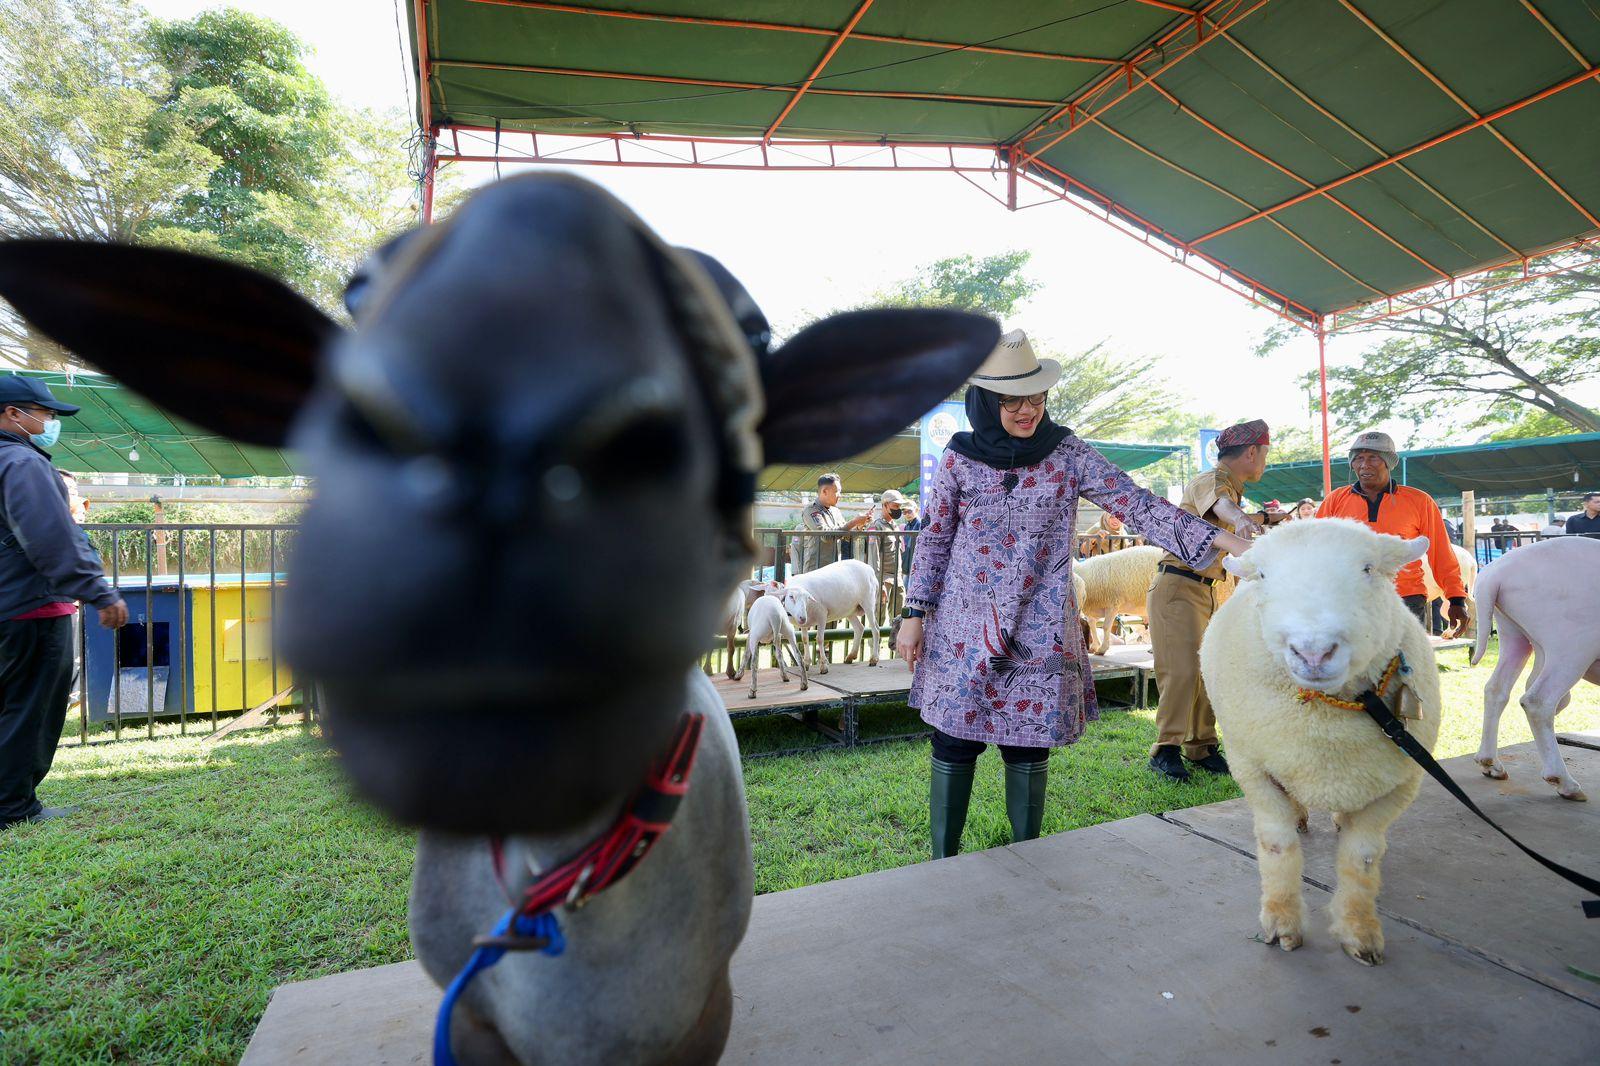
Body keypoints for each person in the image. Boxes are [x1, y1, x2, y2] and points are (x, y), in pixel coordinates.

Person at [895, 329, 1252, 859]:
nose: (1027, 411)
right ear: (988, 402)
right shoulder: (958, 457)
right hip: (964, 622)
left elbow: (1136, 503)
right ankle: (942, 861)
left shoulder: (1066, 453)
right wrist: (913, 613)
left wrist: (1229, 539)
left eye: (1036, 398)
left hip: (1040, 624)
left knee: (1027, 740)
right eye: (1013, 400)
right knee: (955, 738)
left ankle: (1027, 858)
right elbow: (936, 535)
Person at [0, 377, 127, 829]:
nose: (50, 421)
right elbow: (52, 536)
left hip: (8, 604)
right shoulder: (21, 462)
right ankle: (13, 807)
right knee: (30, 707)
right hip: (30, 605)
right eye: (45, 412)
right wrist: (98, 590)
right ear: (14, 414)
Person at [1146, 419, 1271, 782]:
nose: (1265, 461)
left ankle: (1202, 747)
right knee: (1182, 671)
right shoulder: (1211, 480)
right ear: (1252, 452)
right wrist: (1244, 522)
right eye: (1264, 454)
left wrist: (1257, 518)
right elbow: (1223, 507)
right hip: (1178, 587)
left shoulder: (1231, 486)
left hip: (1207, 589)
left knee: (1206, 671)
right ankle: (1165, 749)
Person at [1316, 430, 1467, 635]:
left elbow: (1441, 553)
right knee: (1355, 665)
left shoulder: (1420, 501)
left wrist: (1456, 598)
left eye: (1373, 458)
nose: (1364, 465)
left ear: (1389, 462)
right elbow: (1315, 548)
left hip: (1405, 600)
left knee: (1404, 664)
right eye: (1358, 458)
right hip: (1349, 598)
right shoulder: (1335, 500)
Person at [790, 472, 871, 575]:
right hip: (816, 569)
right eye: (836, 491)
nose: (839, 495)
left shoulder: (835, 511)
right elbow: (826, 536)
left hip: (834, 568)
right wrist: (854, 521)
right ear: (824, 491)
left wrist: (860, 525)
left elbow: (846, 535)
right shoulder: (811, 510)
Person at [866, 489, 915, 612]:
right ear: (885, 504)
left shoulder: (894, 525)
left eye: (899, 506)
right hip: (884, 579)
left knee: (899, 618)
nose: (898, 509)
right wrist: (879, 582)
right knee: (879, 617)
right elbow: (873, 556)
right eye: (895, 506)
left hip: (897, 578)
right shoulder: (876, 526)